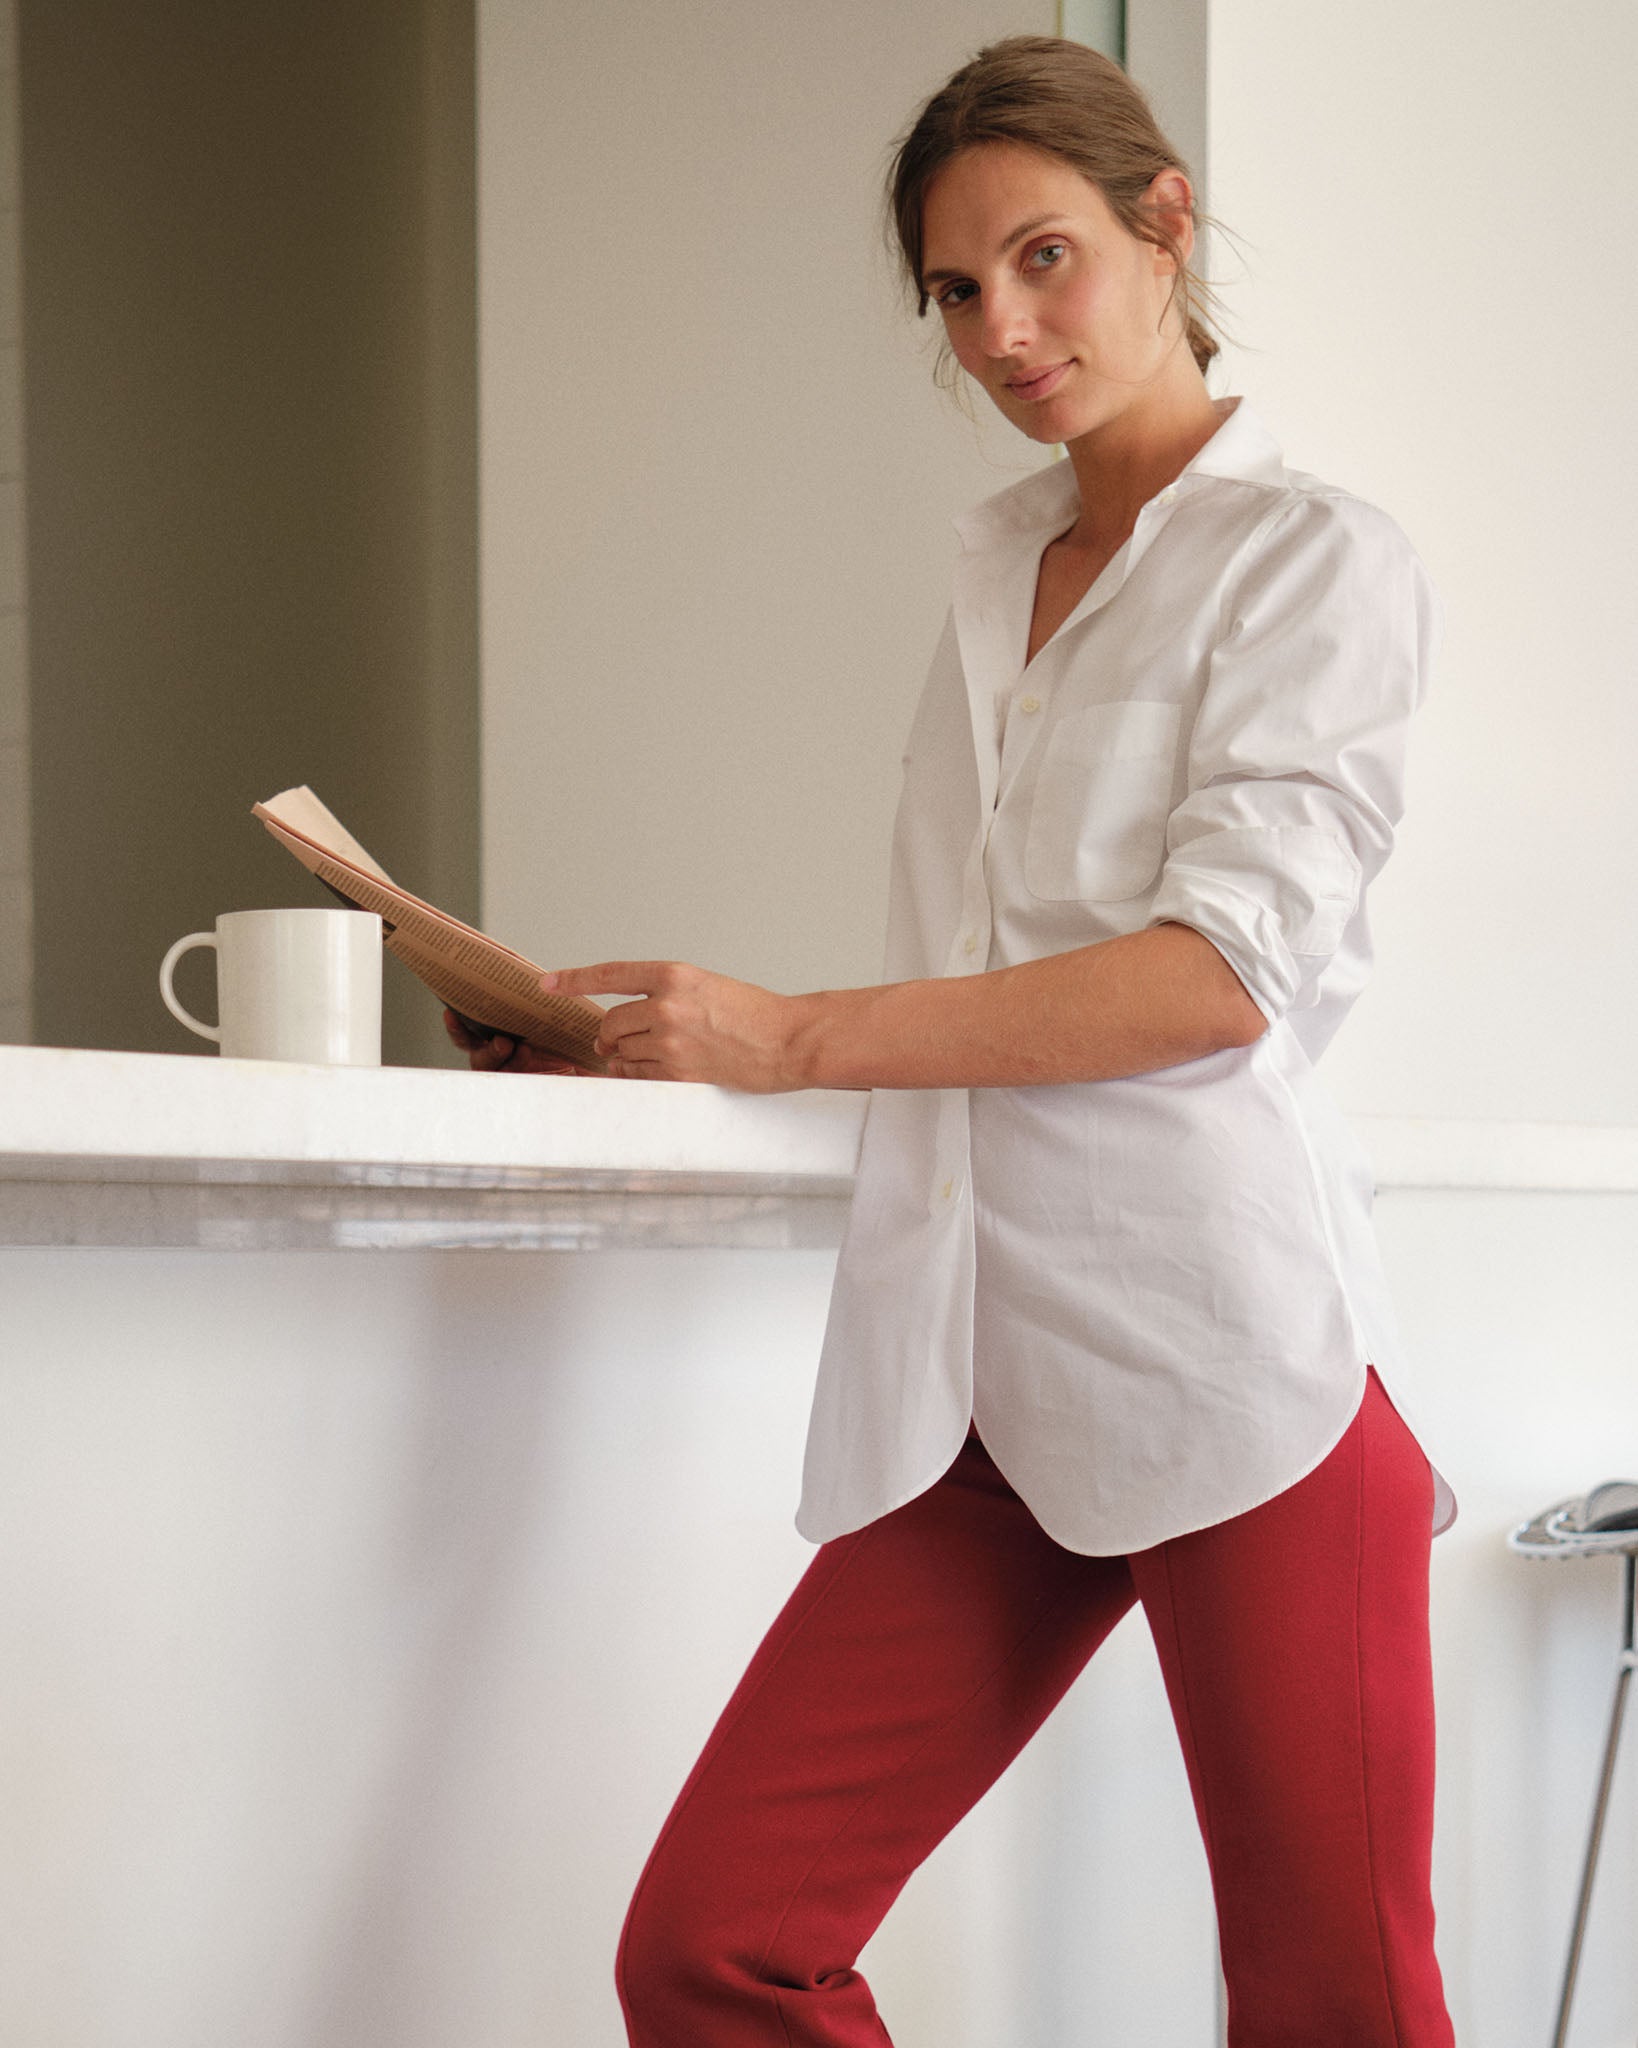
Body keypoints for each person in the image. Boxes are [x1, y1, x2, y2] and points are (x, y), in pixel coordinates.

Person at [449, 32, 1459, 2046]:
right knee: (719, 1945)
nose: (1001, 328)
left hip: (1237, 1369)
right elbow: (997, 973)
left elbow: (1213, 976)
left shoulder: (1311, 559)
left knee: (1334, 2009)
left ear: (1166, 224)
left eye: (1043, 258)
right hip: (982, 1380)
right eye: (955, 288)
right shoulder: (1000, 572)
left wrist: (792, 1036)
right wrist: (667, 1039)